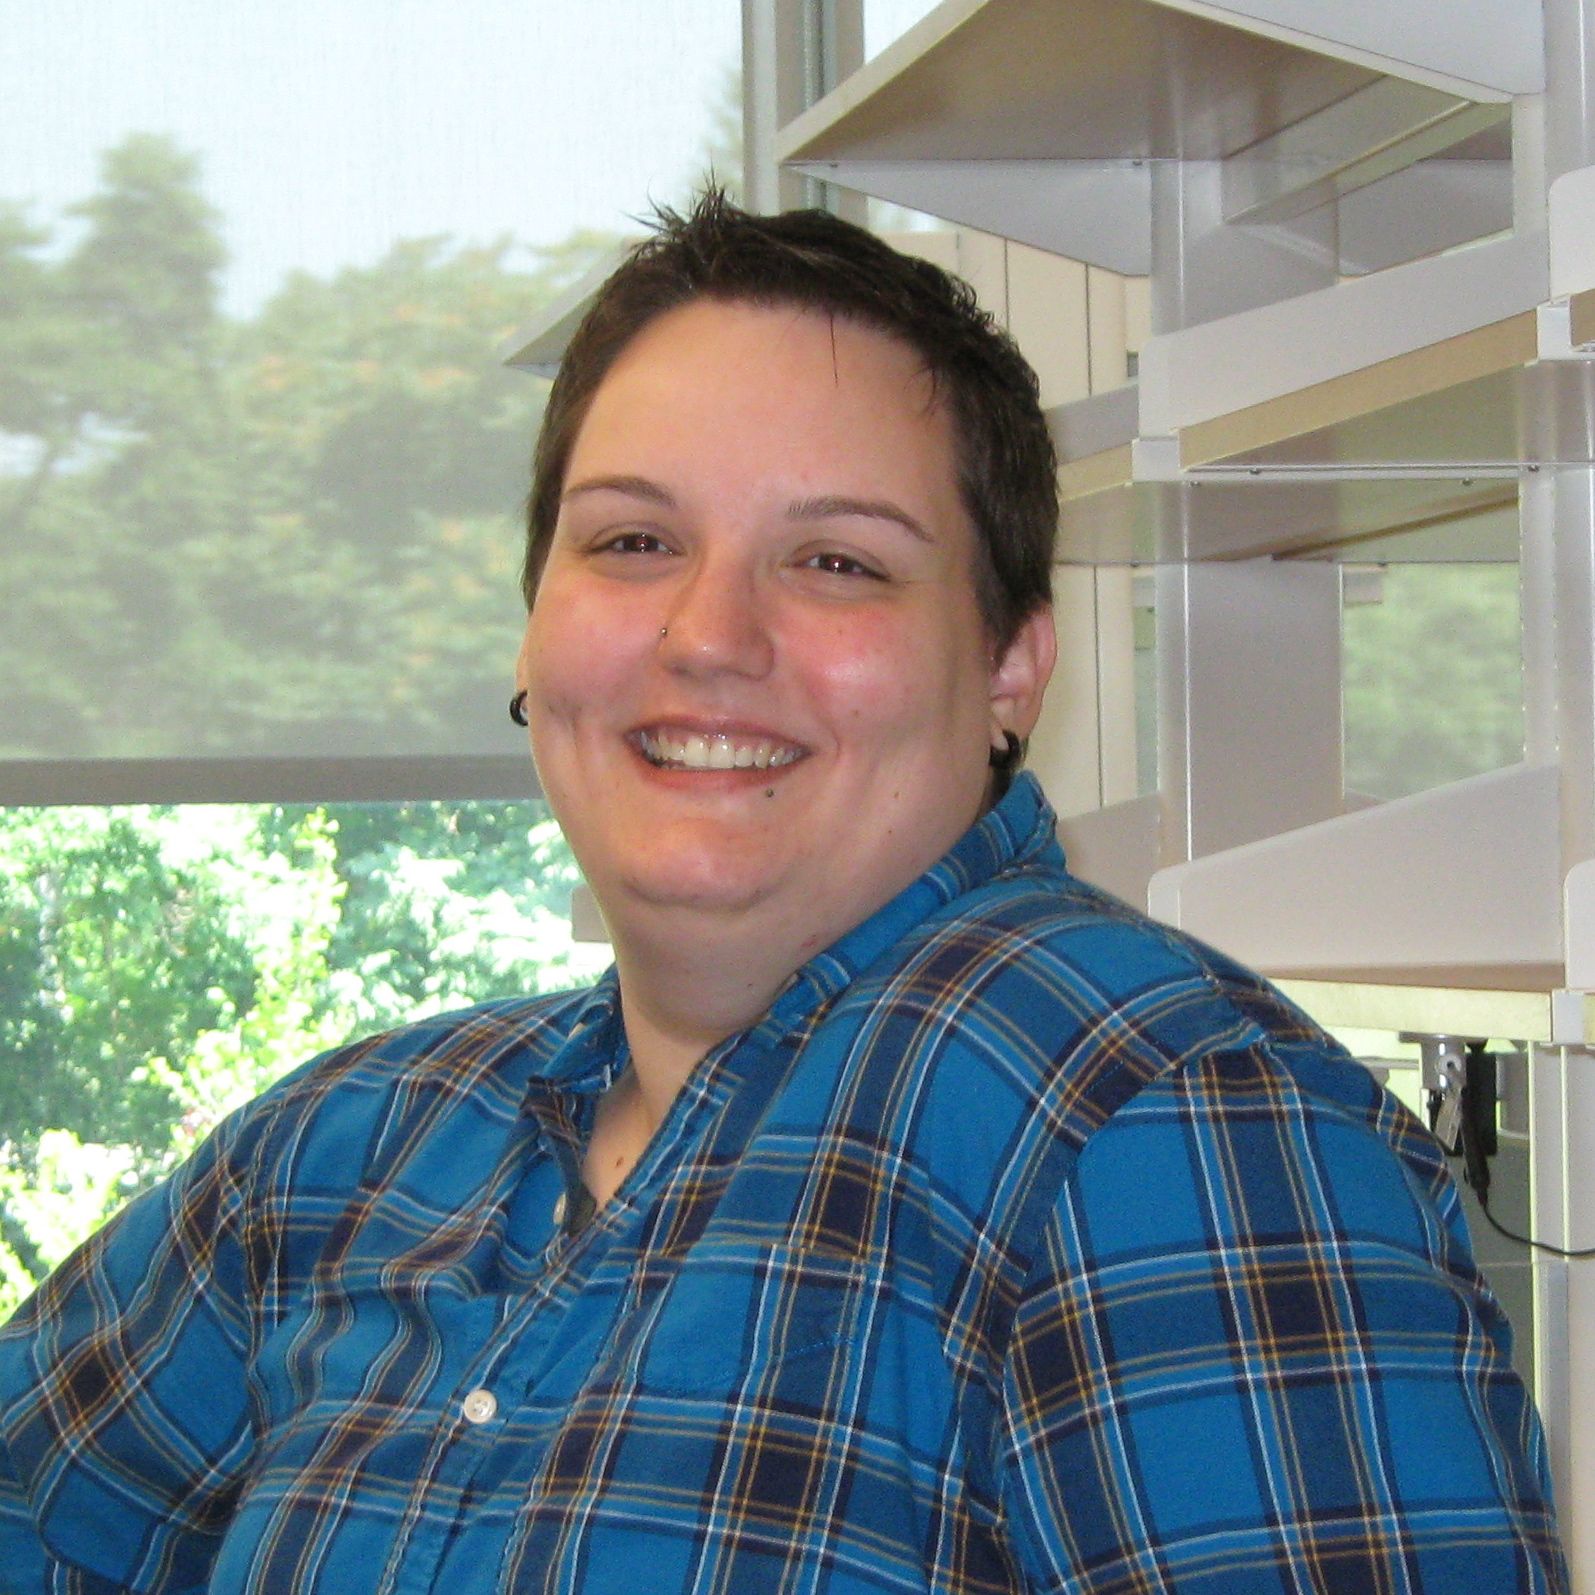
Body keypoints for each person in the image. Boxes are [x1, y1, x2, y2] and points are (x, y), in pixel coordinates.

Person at [0, 192, 1566, 1593]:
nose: (706, 635)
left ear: (1012, 664)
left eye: (837, 563)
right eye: (632, 540)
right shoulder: (338, 1159)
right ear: (536, 628)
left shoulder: (1160, 1123)